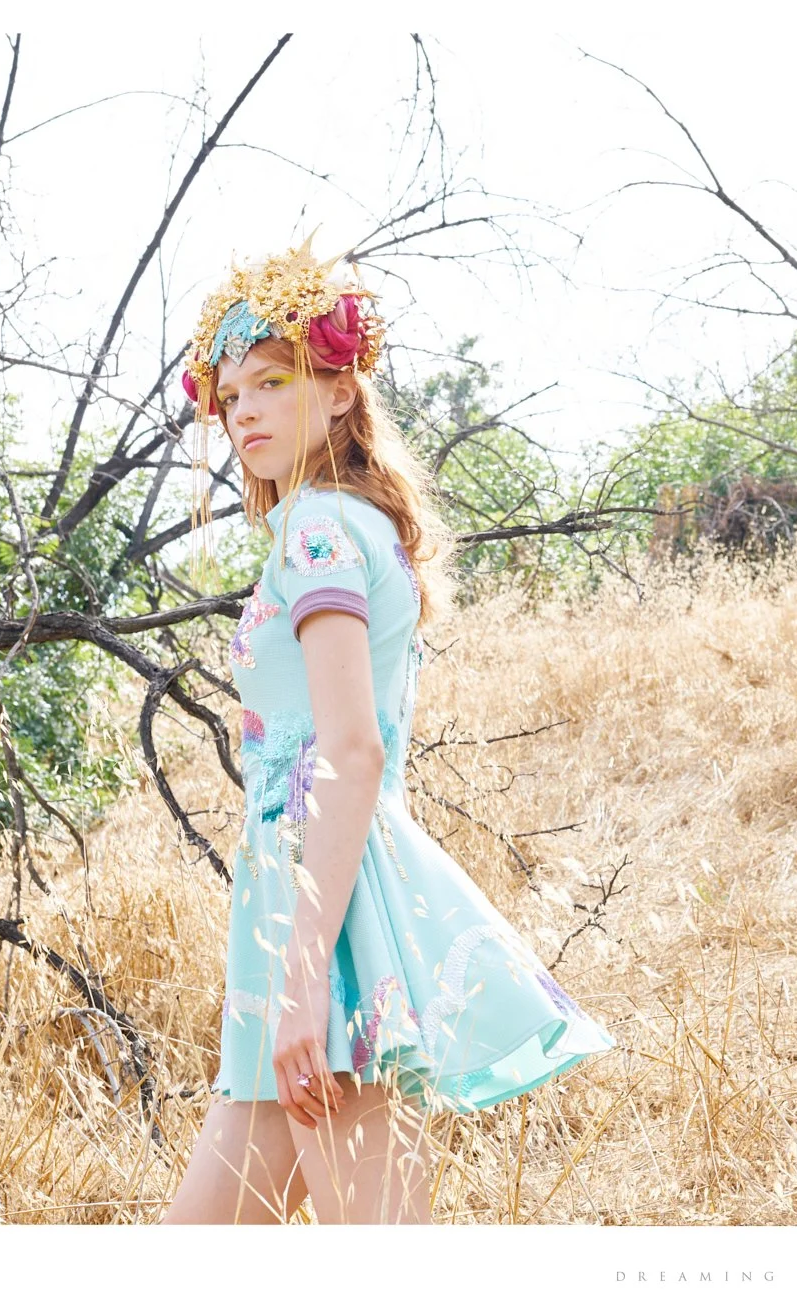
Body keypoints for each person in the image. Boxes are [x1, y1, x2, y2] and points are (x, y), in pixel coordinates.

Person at [160, 239, 615, 1225]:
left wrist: (302, 981)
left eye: (272, 382)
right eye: (230, 393)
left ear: (336, 392)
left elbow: (351, 750)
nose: (243, 410)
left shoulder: (319, 525)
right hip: (298, 904)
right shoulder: (333, 521)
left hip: (326, 916)